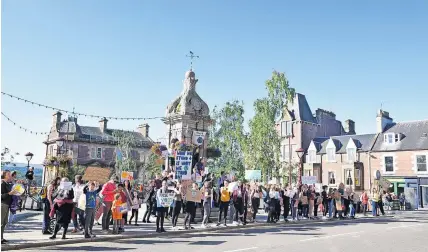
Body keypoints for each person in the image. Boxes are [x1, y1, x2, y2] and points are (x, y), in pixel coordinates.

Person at [1, 170, 16, 244]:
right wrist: (10, 193)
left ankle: (1, 238)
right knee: (1, 222)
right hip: (2, 204)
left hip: (7, 205)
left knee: (4, 222)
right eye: (8, 174)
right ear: (5, 175)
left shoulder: (8, 183)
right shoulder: (2, 184)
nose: (10, 175)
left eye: (10, 174)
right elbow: (1, 196)